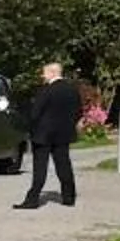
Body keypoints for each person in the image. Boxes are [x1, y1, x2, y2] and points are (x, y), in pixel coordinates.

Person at [17, 62, 81, 210]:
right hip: (63, 133)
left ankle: (33, 199)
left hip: (43, 133)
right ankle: (69, 197)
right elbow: (78, 111)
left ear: (52, 73)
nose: (42, 76)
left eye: (44, 73)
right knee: (64, 164)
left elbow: (35, 113)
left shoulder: (46, 91)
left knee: (40, 167)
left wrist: (29, 126)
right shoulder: (72, 90)